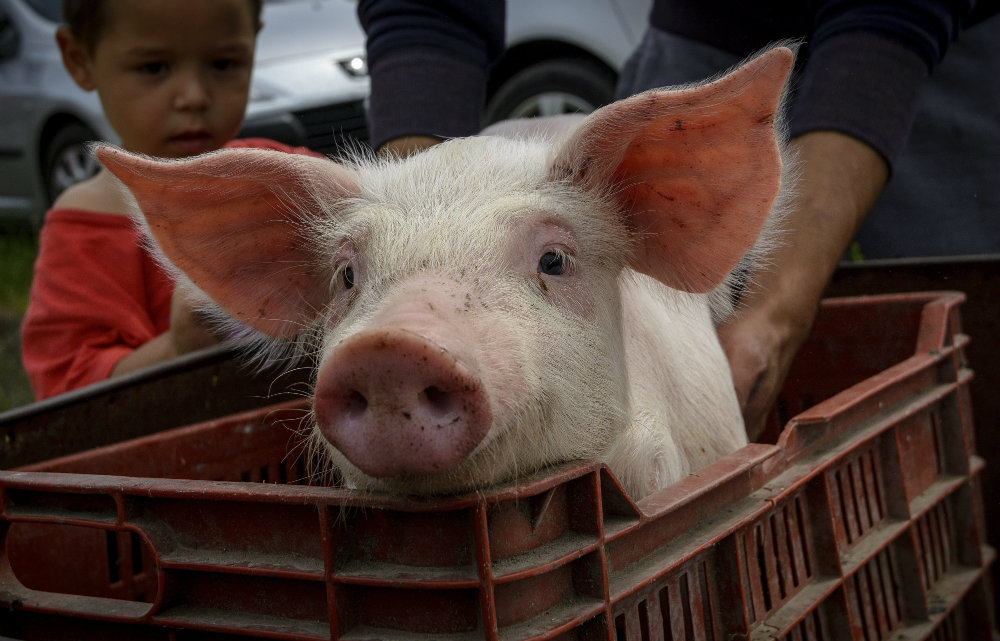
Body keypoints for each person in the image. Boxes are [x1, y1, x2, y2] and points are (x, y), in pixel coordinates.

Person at [357, 0, 1000, 438]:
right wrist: (409, 265)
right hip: (702, 33)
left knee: (952, 363)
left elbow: (897, 10)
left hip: (916, 50)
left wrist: (775, 314)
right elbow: (428, 10)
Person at [20, 0, 321, 400]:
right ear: (79, 60)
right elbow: (66, 394)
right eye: (154, 68)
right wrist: (177, 350)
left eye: (223, 64)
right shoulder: (87, 228)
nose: (193, 97)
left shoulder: (286, 176)